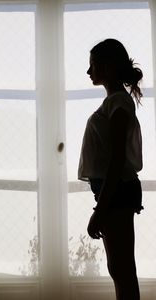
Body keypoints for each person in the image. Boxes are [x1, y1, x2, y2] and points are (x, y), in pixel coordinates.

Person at [78, 38, 143, 300]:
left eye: (92, 65)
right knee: (119, 268)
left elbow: (116, 160)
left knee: (122, 269)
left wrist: (99, 210)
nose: (88, 71)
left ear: (105, 67)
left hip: (117, 194)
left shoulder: (118, 103)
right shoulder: (115, 102)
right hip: (114, 193)